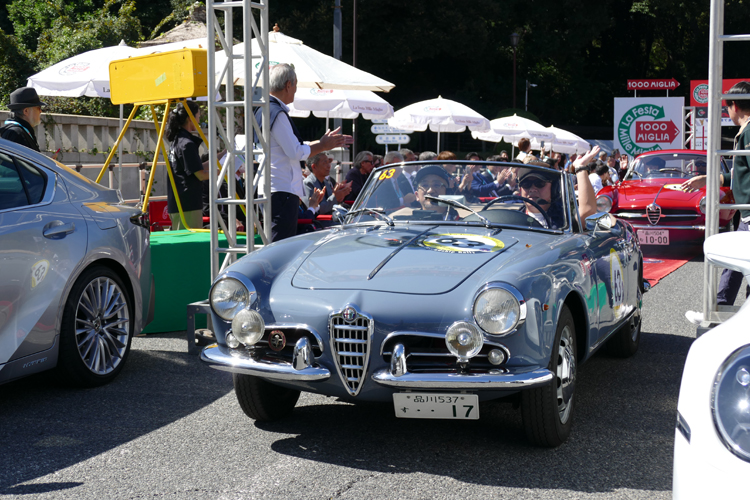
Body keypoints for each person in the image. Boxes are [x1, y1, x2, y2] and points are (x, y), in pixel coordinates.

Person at [255, 63, 349, 241]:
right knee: (282, 245)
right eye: (296, 85)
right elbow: (295, 152)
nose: (296, 90)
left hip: (274, 188)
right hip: (281, 189)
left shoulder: (264, 109)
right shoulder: (276, 112)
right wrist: (323, 145)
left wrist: (321, 143)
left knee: (278, 243)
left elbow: (290, 146)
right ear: (288, 85)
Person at [683, 81, 750, 320]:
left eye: (727, 107)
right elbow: (739, 173)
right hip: (746, 214)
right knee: (736, 262)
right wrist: (708, 179)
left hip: (749, 214)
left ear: (734, 106)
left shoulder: (749, 132)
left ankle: (719, 313)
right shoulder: (746, 132)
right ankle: (719, 311)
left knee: (736, 261)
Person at [165, 101, 210, 230]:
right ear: (190, 118)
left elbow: (194, 167)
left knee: (182, 239)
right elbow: (200, 175)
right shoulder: (186, 144)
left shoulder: (178, 140)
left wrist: (221, 156)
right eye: (198, 116)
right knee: (191, 240)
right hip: (188, 204)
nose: (199, 120)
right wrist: (220, 172)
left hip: (179, 202)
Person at [1, 87, 46, 152]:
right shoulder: (16, 133)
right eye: (38, 108)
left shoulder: (20, 131)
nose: (40, 111)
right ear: (26, 111)